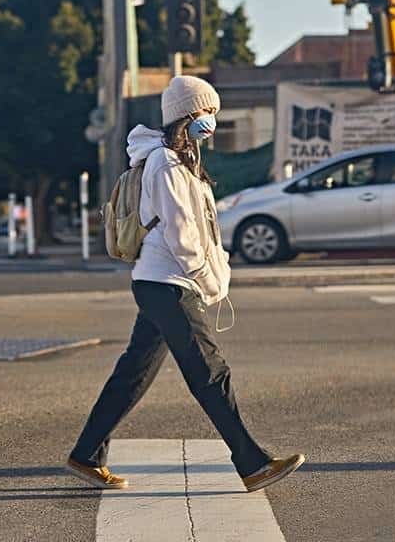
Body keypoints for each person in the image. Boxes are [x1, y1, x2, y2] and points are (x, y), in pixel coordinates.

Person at [66, 76, 305, 493]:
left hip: (162, 281)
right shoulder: (164, 163)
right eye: (207, 112)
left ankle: (85, 455)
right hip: (169, 282)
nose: (212, 120)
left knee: (133, 374)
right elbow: (182, 233)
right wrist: (203, 277)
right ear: (187, 115)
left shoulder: (180, 161)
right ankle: (252, 463)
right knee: (210, 372)